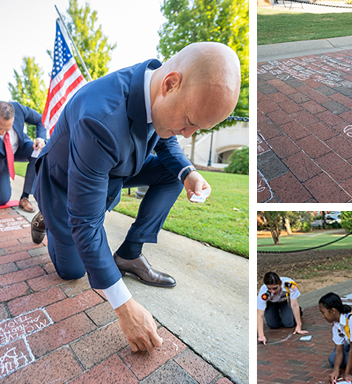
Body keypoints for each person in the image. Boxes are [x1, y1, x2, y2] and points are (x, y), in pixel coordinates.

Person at [30, 42, 241, 353]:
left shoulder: (157, 92)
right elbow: (86, 223)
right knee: (72, 272)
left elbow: (162, 134)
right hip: (63, 183)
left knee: (172, 174)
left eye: (197, 128)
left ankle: (129, 253)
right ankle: (46, 216)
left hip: (114, 166)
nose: (186, 134)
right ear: (171, 84)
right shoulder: (99, 119)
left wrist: (187, 172)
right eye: (189, 121)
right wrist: (124, 307)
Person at [0, 101, 46, 213]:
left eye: (7, 129)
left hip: (19, 148)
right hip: (2, 157)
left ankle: (25, 197)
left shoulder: (19, 109)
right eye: (0, 128)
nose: (2, 132)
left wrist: (40, 138)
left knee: (39, 150)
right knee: (3, 199)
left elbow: (41, 119)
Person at [257, 272, 307, 344]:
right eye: (269, 289)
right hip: (271, 303)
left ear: (280, 283)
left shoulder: (290, 285)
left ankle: (294, 312)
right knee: (273, 325)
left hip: (285, 301)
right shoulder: (263, 291)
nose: (273, 291)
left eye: (275, 288)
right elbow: (259, 315)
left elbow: (294, 305)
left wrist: (299, 325)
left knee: (288, 324)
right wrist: (261, 335)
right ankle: (280, 313)